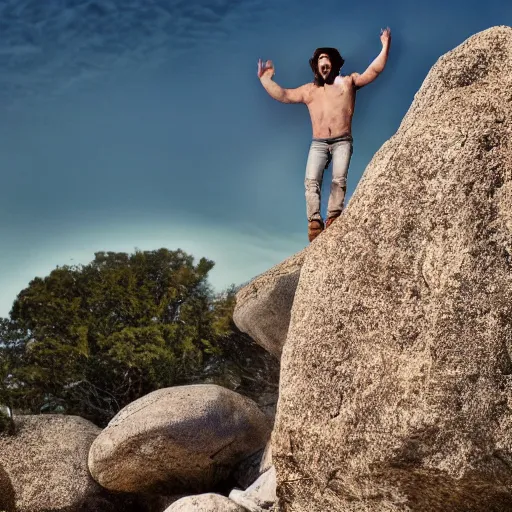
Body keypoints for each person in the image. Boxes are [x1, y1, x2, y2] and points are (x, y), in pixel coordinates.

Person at [257, 27, 391, 242]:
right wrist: (265, 80)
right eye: (320, 59)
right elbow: (283, 95)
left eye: (327, 59)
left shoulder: (347, 83)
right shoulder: (310, 90)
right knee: (311, 181)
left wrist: (385, 46)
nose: (324, 62)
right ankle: (314, 222)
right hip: (318, 143)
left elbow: (373, 71)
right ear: (316, 66)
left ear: (334, 64)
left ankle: (334, 216)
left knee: (339, 179)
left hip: (342, 141)